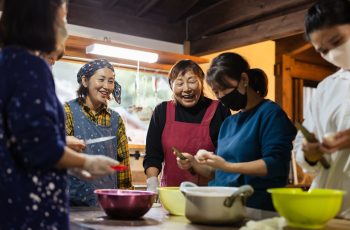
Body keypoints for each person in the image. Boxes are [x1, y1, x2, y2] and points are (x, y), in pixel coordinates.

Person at [0, 0, 120, 229]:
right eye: (64, 18)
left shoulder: (7, 62)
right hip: (30, 211)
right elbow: (39, 147)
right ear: (44, 21)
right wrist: (87, 161)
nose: (66, 27)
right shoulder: (31, 67)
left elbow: (17, 142)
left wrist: (72, 166)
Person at [177, 53, 297, 211]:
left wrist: (228, 166)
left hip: (255, 208)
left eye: (224, 89)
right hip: (222, 206)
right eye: (216, 92)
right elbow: (219, 173)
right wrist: (193, 162)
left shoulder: (270, 114)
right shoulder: (228, 123)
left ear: (244, 80)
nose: (221, 97)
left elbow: (276, 165)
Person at [294, 0, 350, 218]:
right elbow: (306, 156)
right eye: (323, 51)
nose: (333, 54)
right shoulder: (327, 88)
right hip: (328, 209)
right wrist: (310, 154)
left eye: (337, 41)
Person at [143, 59, 231, 191]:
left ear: (201, 82)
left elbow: (226, 158)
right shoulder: (161, 111)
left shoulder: (220, 110)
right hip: (171, 194)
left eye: (192, 81)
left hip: (209, 194)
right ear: (171, 86)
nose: (186, 89)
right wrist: (152, 184)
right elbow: (153, 155)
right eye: (179, 83)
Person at [64, 58, 133, 206]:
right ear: (85, 81)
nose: (106, 86)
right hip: (73, 205)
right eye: (101, 79)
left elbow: (123, 165)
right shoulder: (68, 111)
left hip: (109, 205)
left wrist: (127, 198)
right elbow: (57, 153)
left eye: (111, 81)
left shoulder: (115, 119)